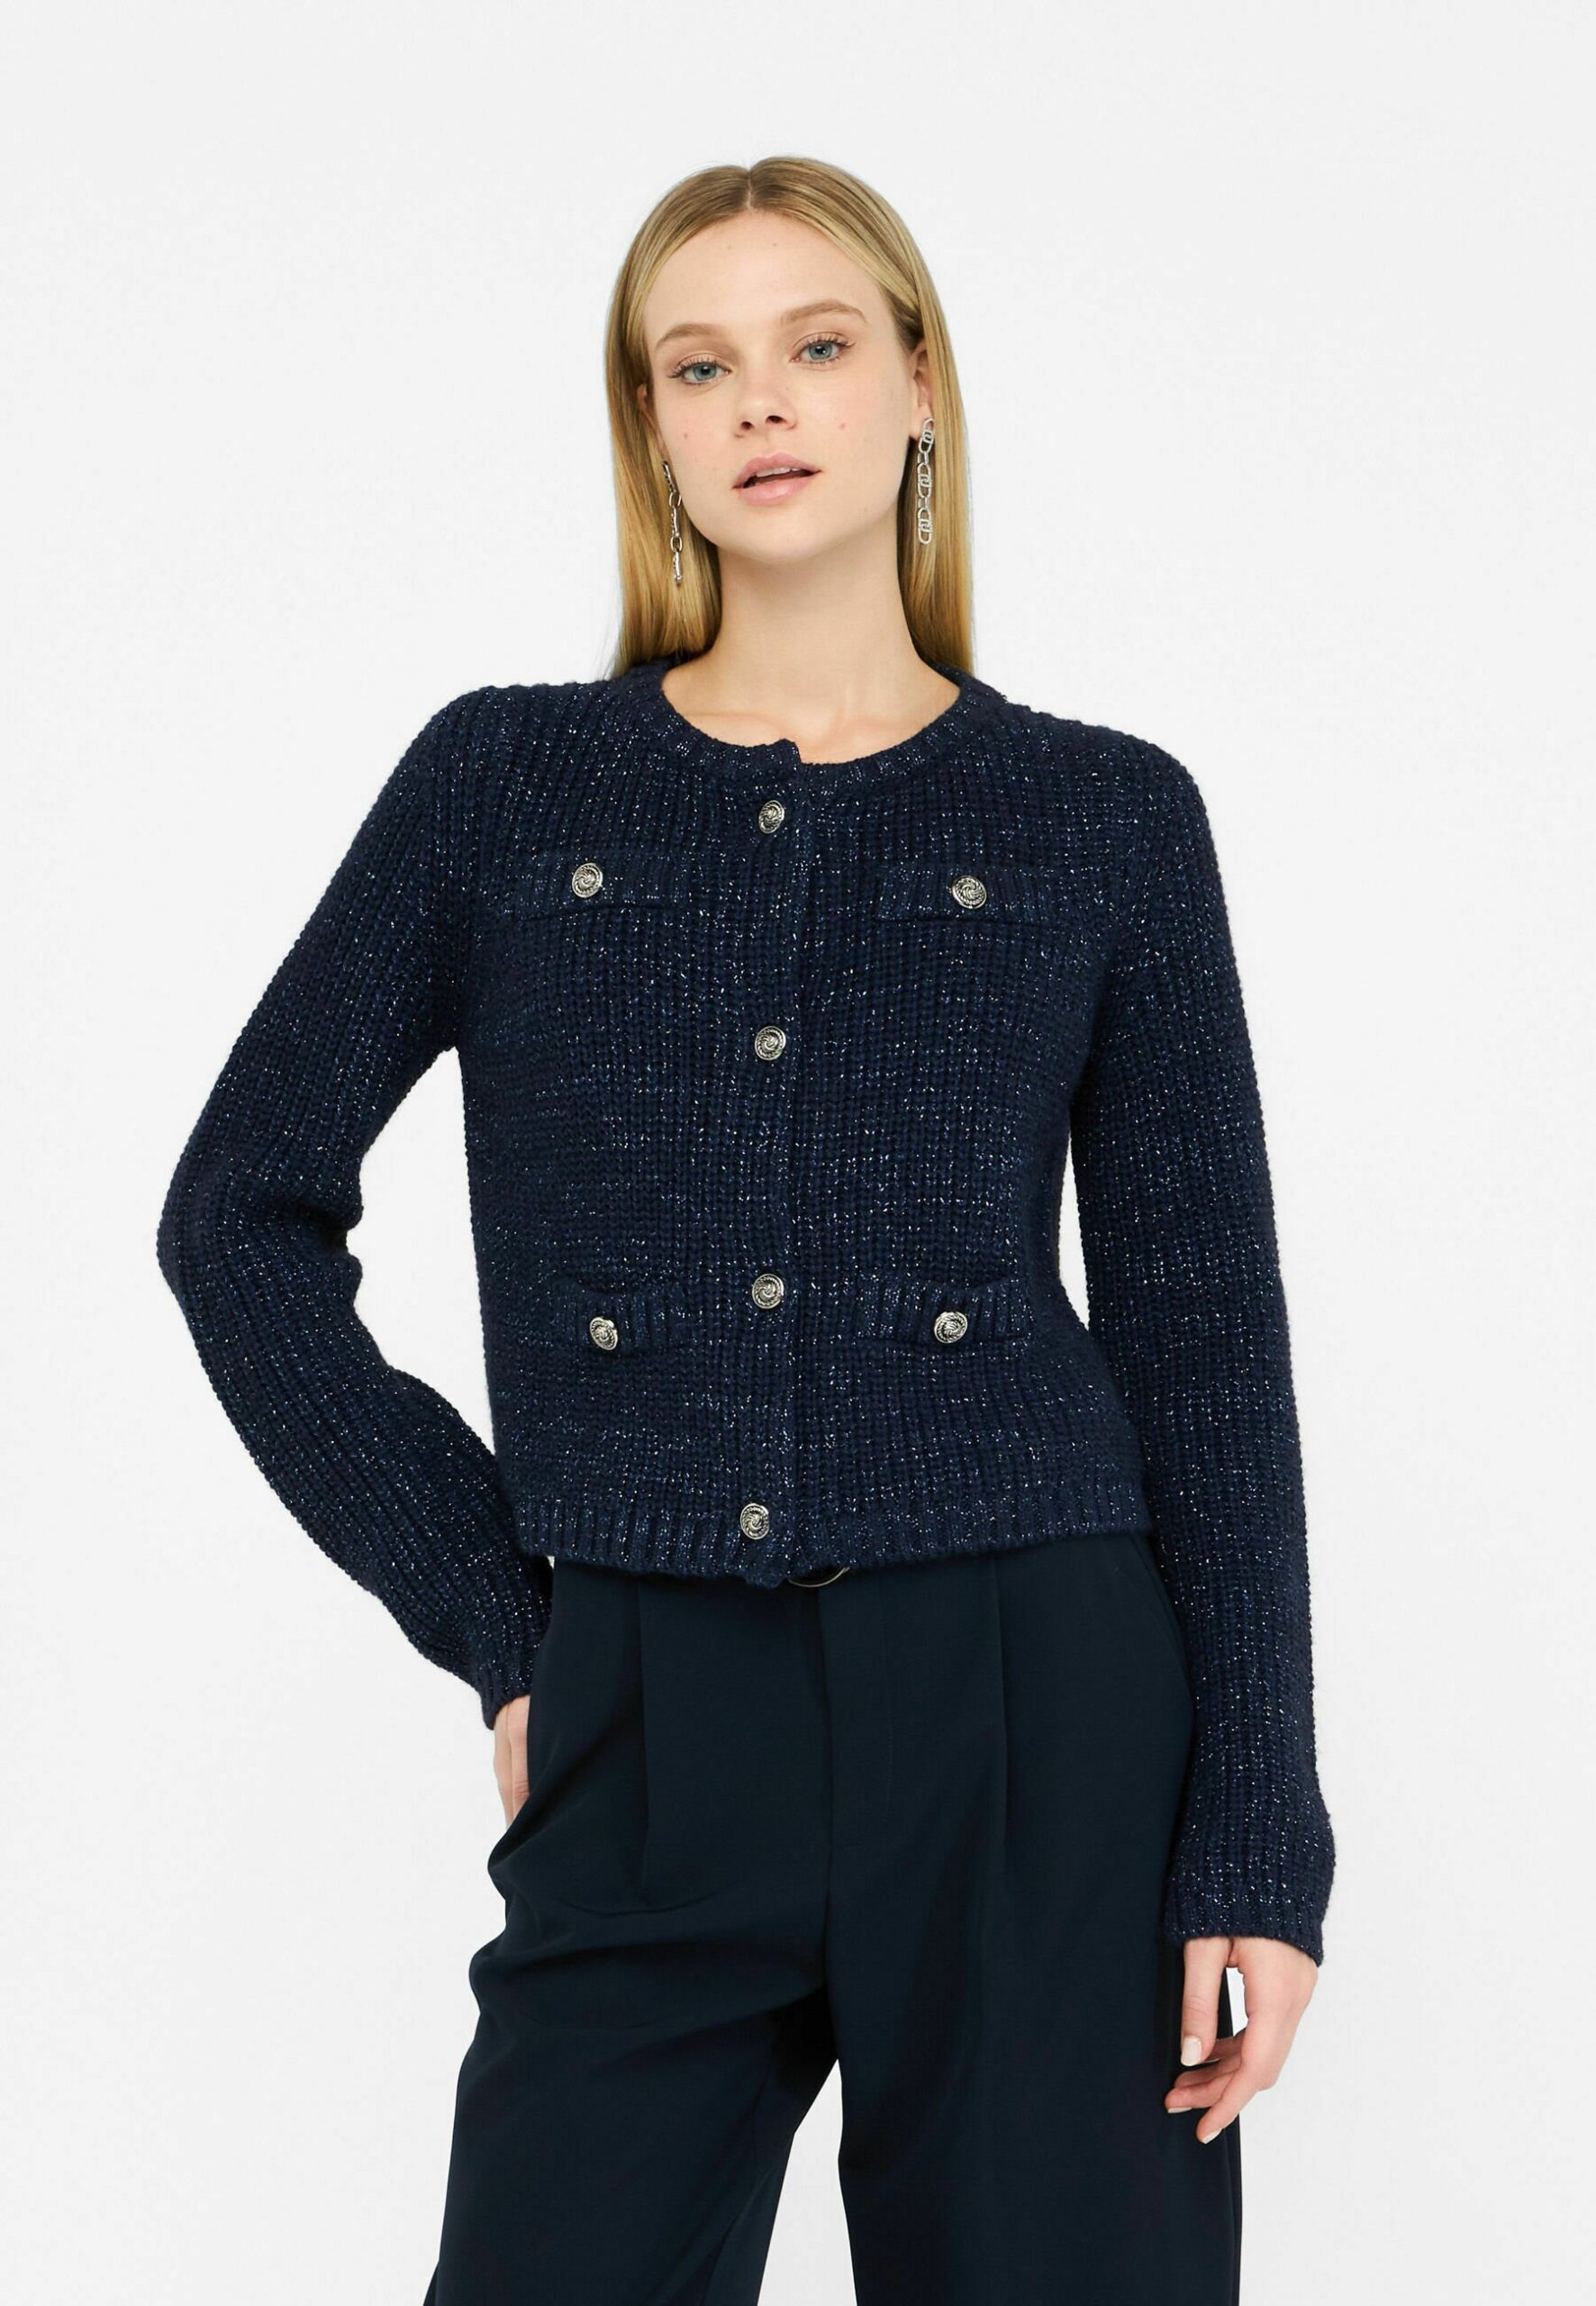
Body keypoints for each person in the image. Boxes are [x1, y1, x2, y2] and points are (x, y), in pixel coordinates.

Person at [155, 154, 1335, 2303]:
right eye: (696, 365)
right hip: (643, 1709)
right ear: (652, 426)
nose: (759, 400)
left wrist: (1256, 1819)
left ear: (918, 386)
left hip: (1036, 1708)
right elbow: (233, 1215)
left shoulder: (1102, 814)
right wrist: (499, 1613)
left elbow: (1200, 1336)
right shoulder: (504, 786)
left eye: (815, 343)